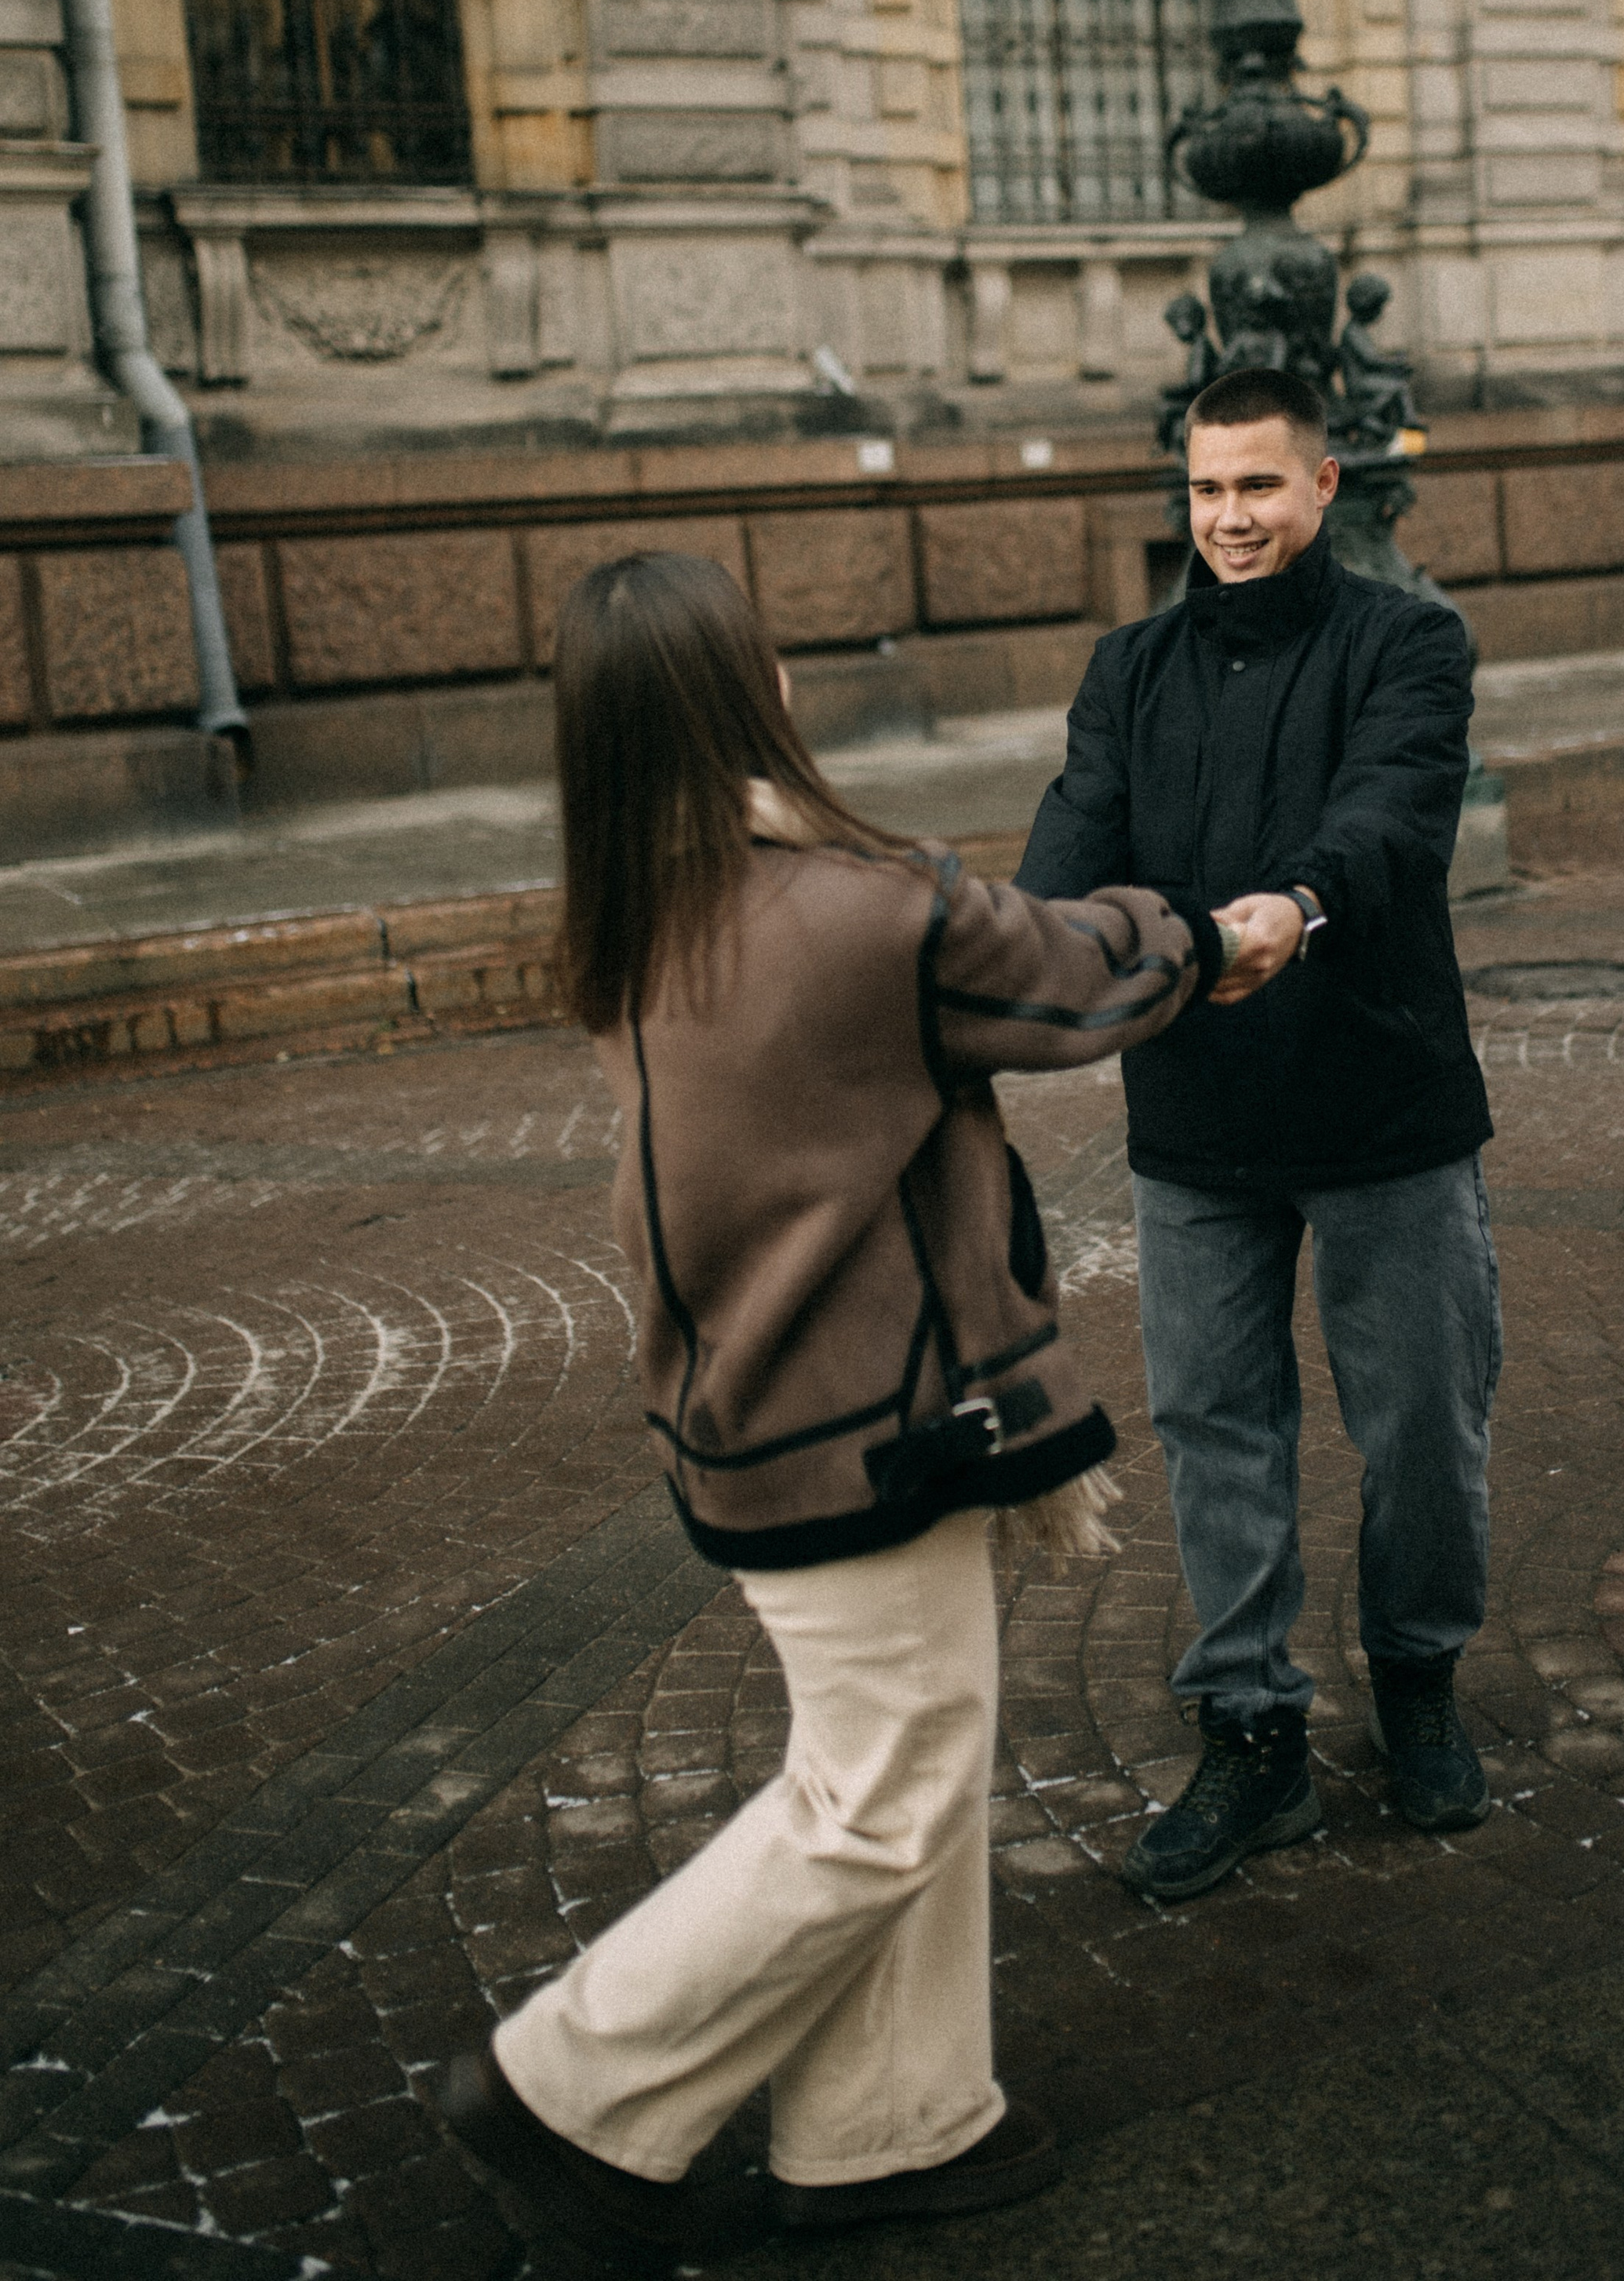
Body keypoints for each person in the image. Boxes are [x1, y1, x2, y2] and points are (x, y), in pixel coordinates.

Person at [436, 551, 1250, 2261]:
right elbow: (1069, 973)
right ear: (746, 690)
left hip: (768, 1402)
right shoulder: (848, 903)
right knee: (877, 1793)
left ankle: (892, 2118)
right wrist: (1197, 924)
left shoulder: (643, 898)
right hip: (860, 1418)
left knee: (907, 1757)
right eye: (769, 653)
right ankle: (564, 2083)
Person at [1017, 363, 1502, 1902]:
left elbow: (1391, 818)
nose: (1227, 515)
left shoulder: (1407, 641)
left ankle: (1416, 1675)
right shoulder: (1128, 667)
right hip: (1197, 1125)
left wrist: (1292, 902)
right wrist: (989, 940)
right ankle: (1250, 1735)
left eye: (1256, 486)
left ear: (1319, 488)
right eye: (1205, 488)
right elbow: (1066, 848)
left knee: (1421, 1421)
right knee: (1218, 1431)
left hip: (1384, 1108)